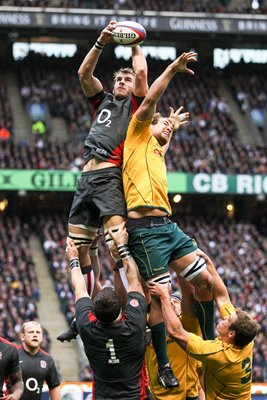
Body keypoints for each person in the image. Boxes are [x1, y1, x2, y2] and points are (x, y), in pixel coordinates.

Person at [123, 51, 215, 388]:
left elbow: (163, 142)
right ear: (151, 123)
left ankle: (210, 346)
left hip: (169, 228)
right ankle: (163, 364)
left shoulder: (157, 152)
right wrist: (174, 70)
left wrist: (171, 129)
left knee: (203, 280)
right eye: (163, 123)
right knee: (161, 295)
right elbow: (151, 99)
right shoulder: (137, 133)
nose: (167, 129)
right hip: (144, 232)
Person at [58, 19, 148, 342]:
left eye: (126, 78)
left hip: (110, 176)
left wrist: (135, 42)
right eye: (119, 78)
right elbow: (84, 75)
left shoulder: (136, 107)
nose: (124, 81)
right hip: (86, 178)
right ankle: (84, 311)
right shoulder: (103, 101)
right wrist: (101, 41)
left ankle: (139, 309)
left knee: (118, 245)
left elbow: (141, 75)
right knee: (77, 249)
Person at [148, 250, 259, 400]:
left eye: (227, 321)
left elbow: (176, 332)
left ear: (232, 334)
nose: (223, 318)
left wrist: (164, 298)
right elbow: (222, 297)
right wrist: (210, 267)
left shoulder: (219, 355)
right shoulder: (245, 338)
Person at [65, 222, 148, 400]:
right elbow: (135, 282)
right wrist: (122, 247)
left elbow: (81, 288)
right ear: (121, 309)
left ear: (94, 311)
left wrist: (76, 258)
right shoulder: (132, 326)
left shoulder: (88, 327)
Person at [146, 278, 205, 400]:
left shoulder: (189, 326)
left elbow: (200, 376)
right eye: (169, 301)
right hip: (157, 396)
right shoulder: (150, 323)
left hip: (188, 396)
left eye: (176, 302)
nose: (171, 303)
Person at [17, 321, 60, 400]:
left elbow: (54, 387)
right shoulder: (13, 355)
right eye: (31, 332)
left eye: (38, 332)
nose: (35, 335)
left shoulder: (48, 360)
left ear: (42, 337)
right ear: (22, 336)